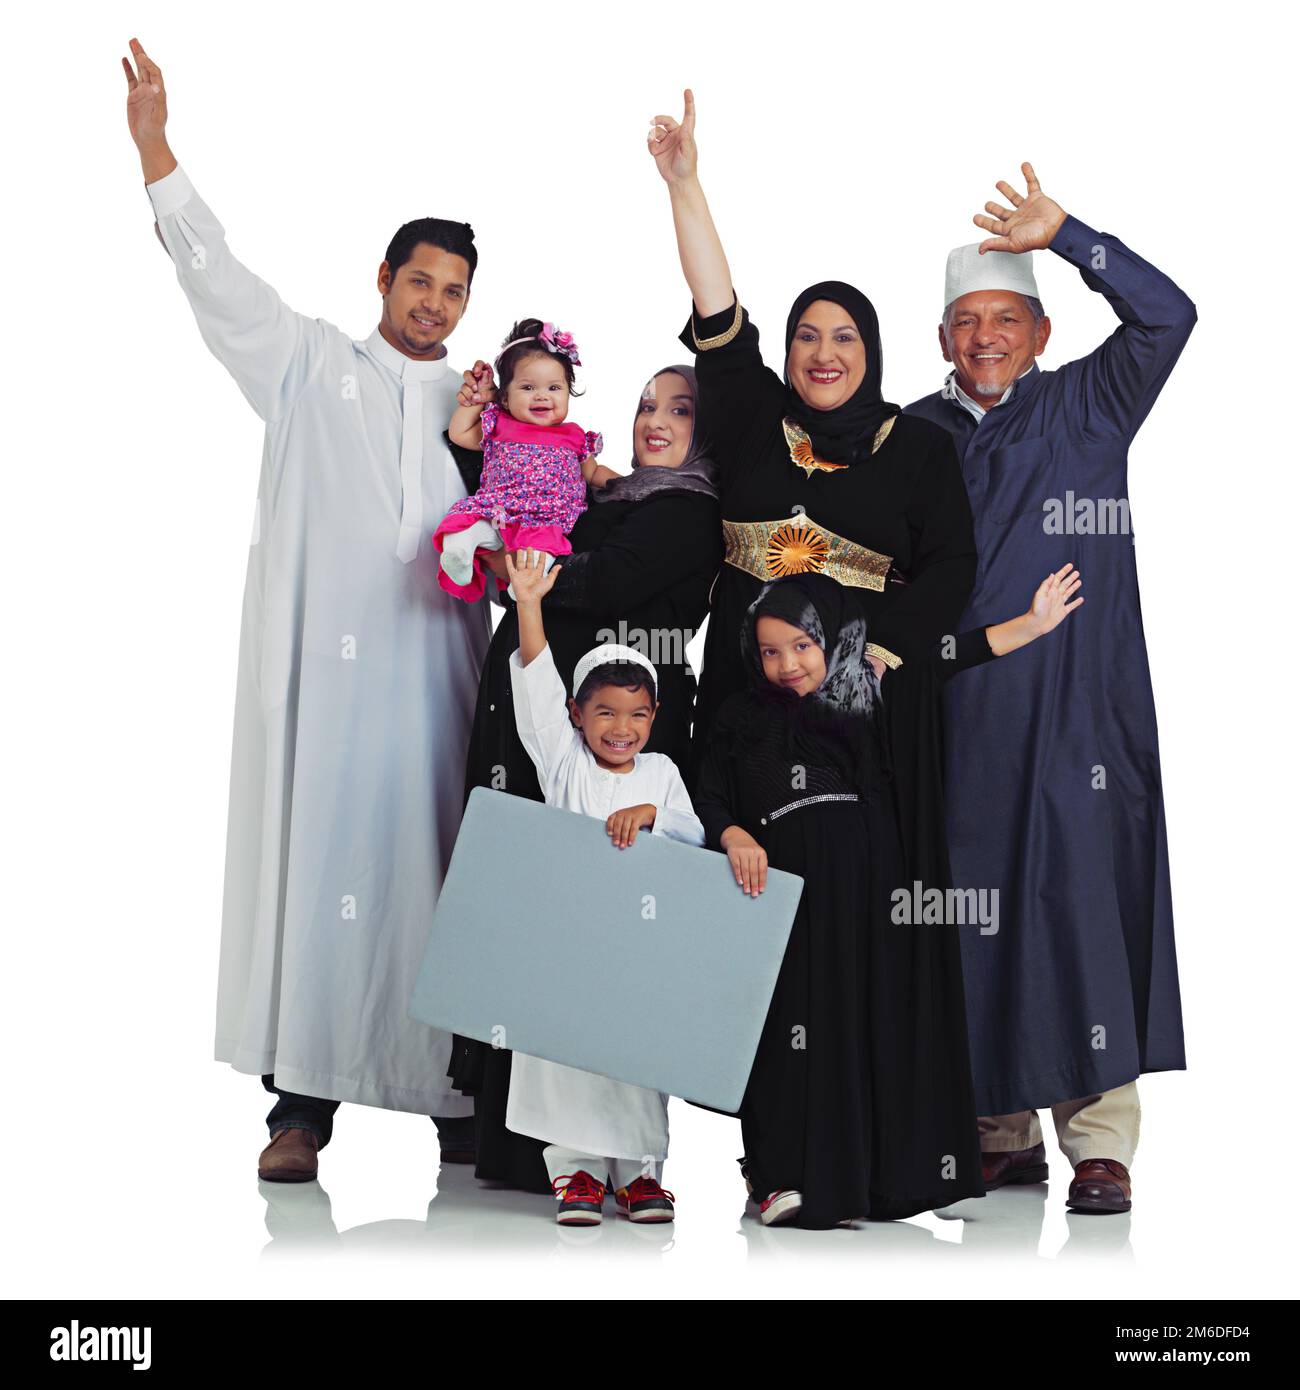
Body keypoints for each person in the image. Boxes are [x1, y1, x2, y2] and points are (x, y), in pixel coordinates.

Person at [123, 38, 494, 1181]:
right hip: (328, 697)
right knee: (322, 867)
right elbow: (217, 279)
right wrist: (155, 150)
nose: (435, 305)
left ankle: (455, 1097)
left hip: (439, 690)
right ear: (384, 279)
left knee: (441, 867)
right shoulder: (306, 367)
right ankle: (302, 1109)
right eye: (420, 282)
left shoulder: (485, 404)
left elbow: (552, 515)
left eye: (454, 292)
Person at [649, 90, 986, 1206]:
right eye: (809, 335)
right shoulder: (749, 420)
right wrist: (684, 184)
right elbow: (718, 309)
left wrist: (878, 653)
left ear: (872, 350)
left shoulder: (918, 451)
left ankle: (881, 1152)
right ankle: (778, 1160)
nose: (823, 351)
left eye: (844, 336)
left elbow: (948, 571)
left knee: (858, 930)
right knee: (752, 923)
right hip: (746, 723)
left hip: (862, 740)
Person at [906, 162, 1194, 1214]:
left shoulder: (1089, 404)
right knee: (970, 910)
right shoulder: (912, 435)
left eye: (1006, 319)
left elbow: (1169, 317)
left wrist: (1069, 236)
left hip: (1077, 710)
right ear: (942, 338)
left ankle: (1099, 1140)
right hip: (959, 713)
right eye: (965, 320)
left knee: (1081, 904)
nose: (984, 337)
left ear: (1038, 330)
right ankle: (996, 1128)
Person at [694, 566, 1082, 1227]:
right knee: (787, 1034)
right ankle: (780, 1178)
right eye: (770, 651)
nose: (787, 665)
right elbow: (709, 792)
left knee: (867, 1022)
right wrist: (733, 834)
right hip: (779, 895)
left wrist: (1034, 624)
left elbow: (949, 657)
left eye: (802, 646)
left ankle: (874, 1179)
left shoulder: (866, 688)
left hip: (872, 890)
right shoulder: (736, 715)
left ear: (830, 642)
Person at [449, 364, 721, 1193]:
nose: (654, 420)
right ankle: (518, 1140)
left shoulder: (688, 512)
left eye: (679, 410)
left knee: (607, 945)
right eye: (644, 404)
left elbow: (594, 575)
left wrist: (520, 560)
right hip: (540, 713)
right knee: (531, 922)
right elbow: (516, 497)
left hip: (618, 742)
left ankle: (616, 1153)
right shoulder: (610, 497)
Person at [502, 549, 707, 1224]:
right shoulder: (563, 767)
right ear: (578, 714)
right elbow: (533, 689)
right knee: (571, 1056)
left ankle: (641, 1173)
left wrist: (652, 815)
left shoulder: (664, 773)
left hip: (641, 943)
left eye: (638, 715)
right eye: (607, 714)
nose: (622, 729)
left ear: (654, 717)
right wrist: (528, 602)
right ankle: (579, 1173)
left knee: (637, 1057)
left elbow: (695, 840)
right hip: (570, 938)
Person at [434, 319, 611, 602]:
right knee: (470, 525)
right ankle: (459, 551)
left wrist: (628, 482)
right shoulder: (500, 424)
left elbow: (593, 473)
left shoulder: (574, 436)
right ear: (505, 397)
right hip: (498, 511)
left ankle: (526, 588)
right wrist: (477, 400)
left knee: (541, 555)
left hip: (545, 520)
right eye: (528, 387)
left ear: (569, 393)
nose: (542, 395)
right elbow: (459, 434)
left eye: (554, 388)